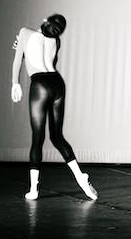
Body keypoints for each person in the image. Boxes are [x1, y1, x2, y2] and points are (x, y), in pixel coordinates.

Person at [11, 14, 98, 200]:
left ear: (44, 20)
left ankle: (34, 189)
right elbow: (49, 60)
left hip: (40, 84)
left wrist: (14, 83)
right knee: (57, 137)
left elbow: (18, 61)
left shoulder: (25, 32)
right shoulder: (56, 41)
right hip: (57, 83)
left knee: (38, 138)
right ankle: (81, 177)